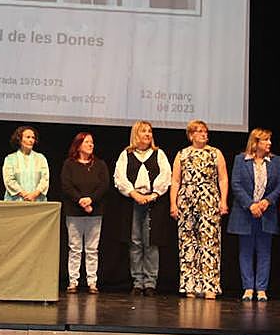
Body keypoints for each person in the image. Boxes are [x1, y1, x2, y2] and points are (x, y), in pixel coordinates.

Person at [170, 120, 229, 299]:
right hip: (187, 201)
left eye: (205, 131)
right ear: (191, 135)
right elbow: (175, 181)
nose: (204, 134)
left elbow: (223, 179)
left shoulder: (215, 153)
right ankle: (190, 284)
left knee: (209, 243)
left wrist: (223, 201)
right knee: (188, 242)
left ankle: (210, 285)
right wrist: (173, 203)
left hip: (209, 200)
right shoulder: (182, 154)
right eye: (199, 131)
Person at [113, 120, 171, 295]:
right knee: (136, 243)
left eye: (150, 131)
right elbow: (120, 177)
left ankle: (150, 283)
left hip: (154, 203)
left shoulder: (158, 154)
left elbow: (165, 176)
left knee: (151, 243)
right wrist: (134, 194)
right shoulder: (126, 154)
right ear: (136, 134)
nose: (148, 134)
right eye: (144, 131)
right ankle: (138, 282)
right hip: (133, 203)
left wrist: (153, 195)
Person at [228, 128, 280, 302]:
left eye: (270, 140)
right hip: (245, 213)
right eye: (266, 140)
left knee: (264, 251)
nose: (269, 143)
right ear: (255, 142)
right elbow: (235, 184)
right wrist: (250, 205)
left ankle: (261, 289)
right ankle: (248, 288)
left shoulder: (275, 161)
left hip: (266, 213)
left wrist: (267, 202)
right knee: (245, 251)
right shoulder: (241, 160)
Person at [60, 132, 109, 294]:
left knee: (92, 249)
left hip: (94, 212)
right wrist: (80, 201)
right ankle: (73, 281)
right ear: (79, 145)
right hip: (74, 212)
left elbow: (104, 186)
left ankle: (92, 282)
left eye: (92, 142)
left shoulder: (100, 164)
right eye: (87, 142)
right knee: (74, 248)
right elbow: (66, 186)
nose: (91, 145)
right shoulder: (69, 164)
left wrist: (91, 201)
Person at [2, 125, 49, 202]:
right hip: (16, 201)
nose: (31, 140)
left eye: (33, 138)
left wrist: (34, 194)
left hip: (37, 200)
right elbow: (9, 180)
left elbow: (45, 179)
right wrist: (24, 194)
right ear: (19, 139)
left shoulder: (41, 158)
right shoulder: (10, 159)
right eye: (28, 137)